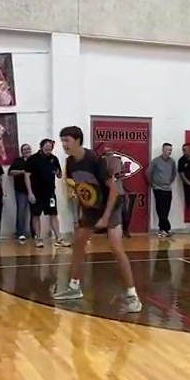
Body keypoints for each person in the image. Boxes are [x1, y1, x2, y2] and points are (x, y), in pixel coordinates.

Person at [53, 126, 141, 312]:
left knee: (116, 247)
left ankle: (132, 295)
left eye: (67, 140)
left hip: (111, 206)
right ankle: (74, 287)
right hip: (91, 208)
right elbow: (81, 190)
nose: (64, 144)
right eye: (62, 141)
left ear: (78, 140)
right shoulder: (70, 163)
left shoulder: (95, 160)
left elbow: (114, 191)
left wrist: (105, 218)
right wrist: (82, 214)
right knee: (78, 243)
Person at [24, 139, 67, 247]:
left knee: (53, 214)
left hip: (50, 193)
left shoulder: (54, 159)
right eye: (47, 147)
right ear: (42, 146)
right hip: (36, 193)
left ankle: (58, 237)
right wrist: (30, 193)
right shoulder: (33, 159)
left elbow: (59, 175)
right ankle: (38, 238)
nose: (48, 149)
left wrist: (58, 173)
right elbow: (27, 176)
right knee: (36, 215)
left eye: (50, 147)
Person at [147, 143, 176, 239]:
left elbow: (174, 174)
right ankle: (164, 228)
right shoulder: (156, 161)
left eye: (171, 150)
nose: (169, 152)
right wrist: (153, 184)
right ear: (163, 150)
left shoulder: (172, 162)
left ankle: (163, 229)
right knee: (161, 209)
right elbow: (148, 173)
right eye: (168, 150)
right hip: (158, 189)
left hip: (168, 189)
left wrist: (169, 182)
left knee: (166, 209)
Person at [9, 143, 32, 241]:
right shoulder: (17, 161)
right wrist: (23, 172)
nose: (26, 151)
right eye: (24, 149)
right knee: (21, 212)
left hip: (34, 190)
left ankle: (34, 232)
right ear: (21, 151)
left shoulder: (34, 160)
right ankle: (20, 232)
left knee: (34, 213)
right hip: (21, 190)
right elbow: (10, 172)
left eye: (28, 149)